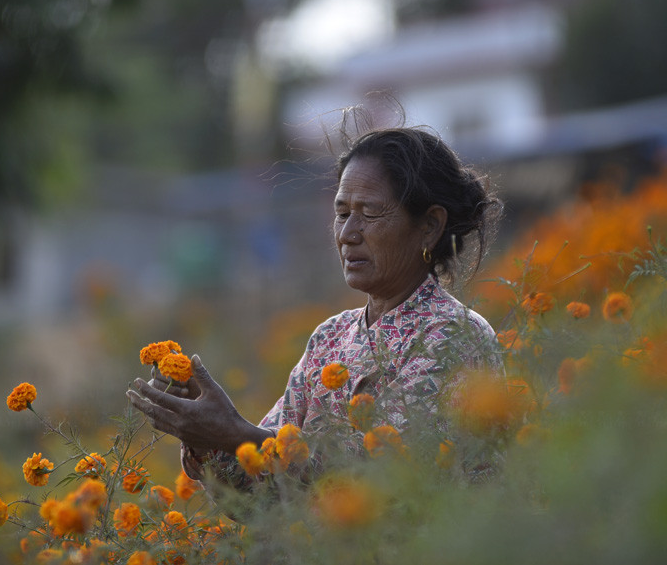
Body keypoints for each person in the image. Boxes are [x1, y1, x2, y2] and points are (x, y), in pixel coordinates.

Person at [126, 123, 504, 486]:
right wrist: (207, 432)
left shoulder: (457, 336)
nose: (347, 234)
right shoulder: (330, 338)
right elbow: (264, 484)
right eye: (341, 214)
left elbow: (389, 476)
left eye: (369, 213)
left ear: (429, 226)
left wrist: (237, 433)